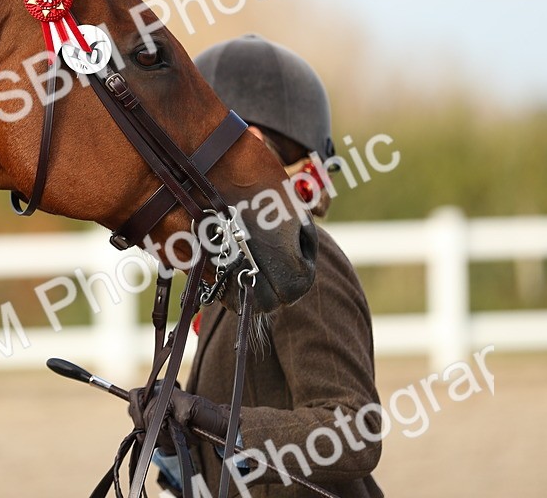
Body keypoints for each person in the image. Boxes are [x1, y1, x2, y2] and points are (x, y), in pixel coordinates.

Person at [129, 34, 383, 497]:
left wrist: (229, 426)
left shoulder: (306, 268)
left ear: (250, 145)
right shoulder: (234, 266)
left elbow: (355, 431)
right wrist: (175, 439)